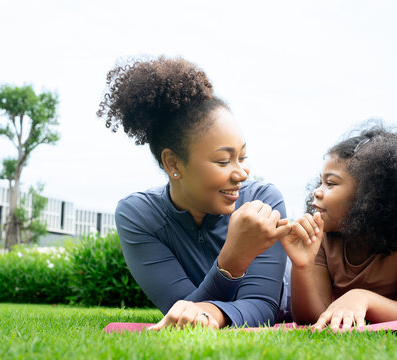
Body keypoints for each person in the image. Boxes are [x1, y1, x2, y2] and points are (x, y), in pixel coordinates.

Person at [97, 56, 291, 329]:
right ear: (173, 163)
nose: (241, 174)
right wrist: (232, 257)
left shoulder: (264, 201)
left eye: (242, 157)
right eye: (223, 161)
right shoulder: (138, 216)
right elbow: (180, 309)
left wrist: (209, 312)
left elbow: (263, 305)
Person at [280, 124, 397, 331]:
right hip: (350, 308)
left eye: (331, 183)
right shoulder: (324, 237)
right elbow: (312, 319)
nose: (316, 192)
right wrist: (302, 266)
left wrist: (362, 298)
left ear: (370, 195)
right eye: (320, 182)